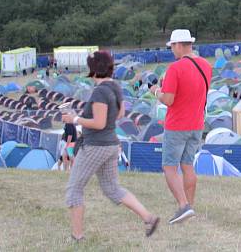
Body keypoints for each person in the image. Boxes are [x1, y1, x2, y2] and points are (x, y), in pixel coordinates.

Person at [63, 51, 159, 242]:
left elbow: (98, 123)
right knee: (112, 188)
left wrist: (74, 118)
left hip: (95, 146)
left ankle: (77, 236)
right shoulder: (115, 86)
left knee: (74, 188)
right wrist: (96, 120)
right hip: (111, 144)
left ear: (93, 68)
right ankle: (149, 218)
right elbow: (120, 114)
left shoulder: (99, 91)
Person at [151, 29, 211, 224]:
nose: (172, 50)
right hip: (197, 124)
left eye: (172, 46)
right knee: (187, 166)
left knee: (169, 167)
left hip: (177, 125)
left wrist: (157, 92)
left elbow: (168, 100)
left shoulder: (175, 68)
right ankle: (189, 208)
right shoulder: (206, 66)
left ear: (178, 45)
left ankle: (183, 205)